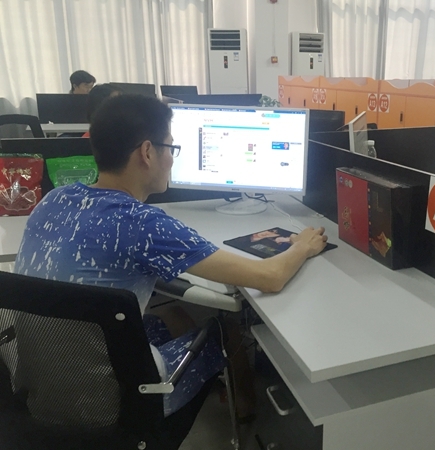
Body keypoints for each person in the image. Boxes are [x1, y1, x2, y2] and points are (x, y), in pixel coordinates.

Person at [14, 94, 328, 416]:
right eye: (171, 148)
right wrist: (303, 245)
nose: (172, 159)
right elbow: (269, 277)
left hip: (41, 391)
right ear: (147, 152)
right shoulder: (143, 224)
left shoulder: (54, 200)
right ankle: (245, 411)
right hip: (111, 407)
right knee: (225, 329)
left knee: (169, 318)